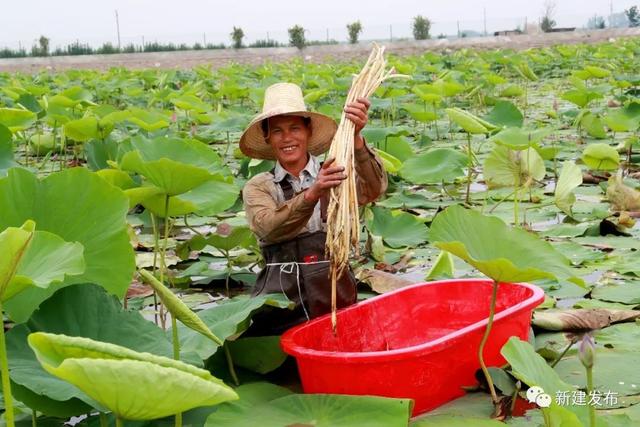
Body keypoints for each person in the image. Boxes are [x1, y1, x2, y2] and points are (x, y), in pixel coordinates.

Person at [240, 82, 387, 335]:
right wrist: (313, 193)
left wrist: (357, 140)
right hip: (281, 304)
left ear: (308, 131)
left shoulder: (335, 173)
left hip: (334, 298)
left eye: (294, 128)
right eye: (277, 131)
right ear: (267, 138)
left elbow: (373, 190)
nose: (287, 138)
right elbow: (269, 229)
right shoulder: (259, 187)